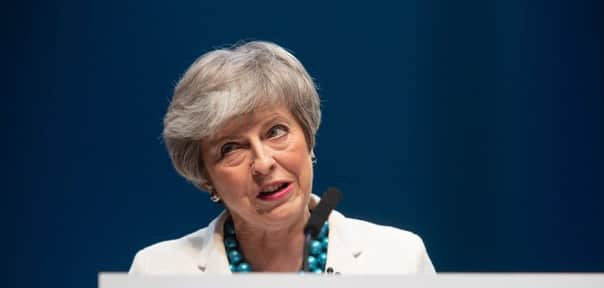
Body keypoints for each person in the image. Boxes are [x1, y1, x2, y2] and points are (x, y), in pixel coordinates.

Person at [129, 41, 435, 274]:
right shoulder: (158, 274)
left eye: (276, 131)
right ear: (207, 179)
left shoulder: (400, 261)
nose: (263, 163)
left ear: (309, 140)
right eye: (230, 148)